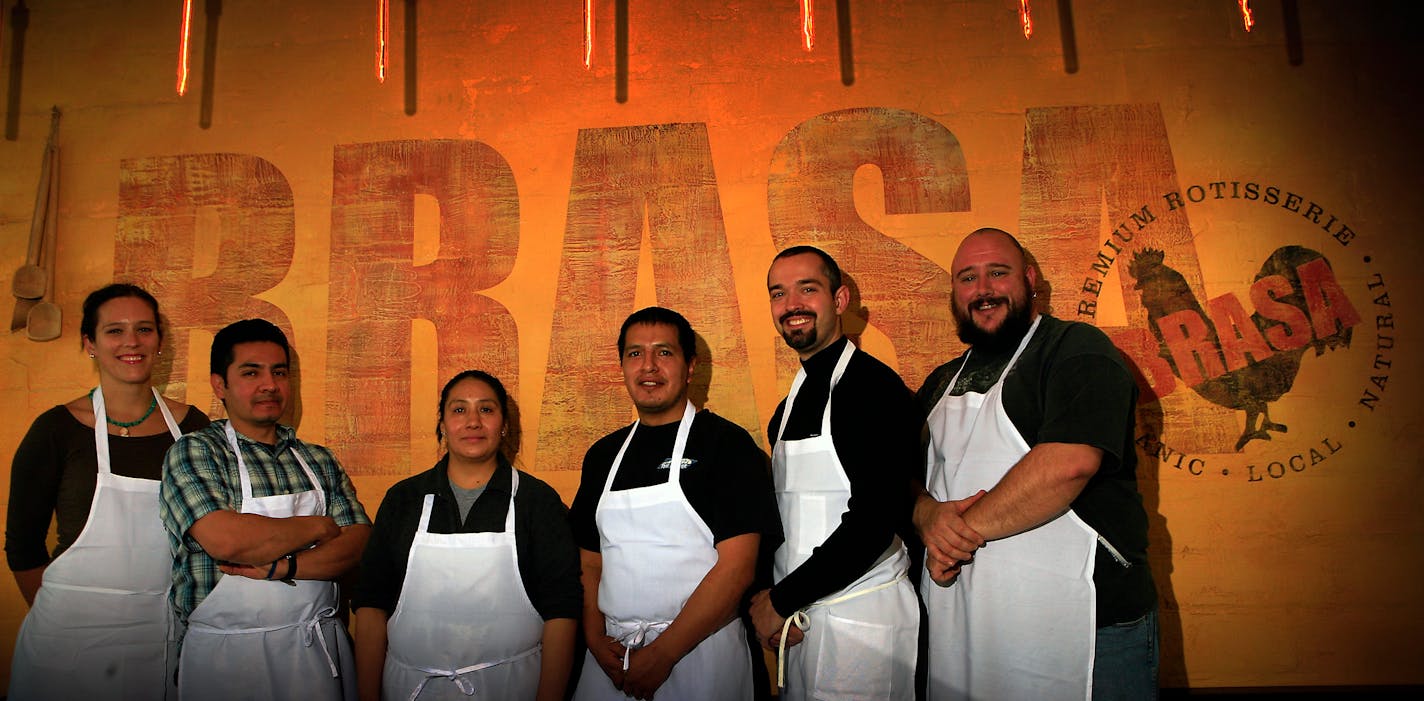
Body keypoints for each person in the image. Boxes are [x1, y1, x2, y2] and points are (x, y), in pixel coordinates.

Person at [914, 227, 1158, 700]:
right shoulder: (940, 381)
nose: (982, 289)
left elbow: (1069, 462)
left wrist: (953, 540)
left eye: (997, 273)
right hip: (968, 628)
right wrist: (925, 514)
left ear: (1029, 280)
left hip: (1090, 627)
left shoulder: (1076, 348)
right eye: (967, 278)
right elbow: (899, 476)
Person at [6, 283, 209, 701]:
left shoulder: (193, 429)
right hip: (64, 644)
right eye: (114, 331)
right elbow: (22, 546)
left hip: (160, 636)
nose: (131, 342)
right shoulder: (56, 429)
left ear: (159, 341)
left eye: (144, 329)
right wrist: (65, 615)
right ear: (90, 344)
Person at [569, 306, 780, 701]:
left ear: (691, 366)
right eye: (635, 354)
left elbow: (737, 566)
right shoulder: (602, 455)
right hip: (612, 659)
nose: (648, 366)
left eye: (664, 352)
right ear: (622, 366)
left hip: (702, 657)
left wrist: (663, 654)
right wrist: (596, 640)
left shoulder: (726, 446)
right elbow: (590, 562)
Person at [160, 318, 371, 700]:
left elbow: (358, 544)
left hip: (317, 652)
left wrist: (282, 566)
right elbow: (227, 541)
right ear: (219, 384)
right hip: (225, 661)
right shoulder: (196, 452)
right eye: (251, 372)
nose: (270, 385)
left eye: (279, 372)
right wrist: (317, 528)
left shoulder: (318, 459)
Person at [748, 246, 922, 700]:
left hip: (860, 622)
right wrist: (772, 598)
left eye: (808, 288)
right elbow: (784, 519)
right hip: (799, 620)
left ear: (840, 299)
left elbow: (874, 521)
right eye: (778, 293)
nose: (792, 305)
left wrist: (780, 601)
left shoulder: (874, 390)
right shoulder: (785, 409)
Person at [353, 370, 581, 701]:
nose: (473, 421)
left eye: (486, 409)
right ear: (442, 425)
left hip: (510, 687)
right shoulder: (403, 499)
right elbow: (371, 602)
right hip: (410, 689)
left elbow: (562, 611)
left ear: (504, 425)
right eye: (459, 410)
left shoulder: (537, 501)